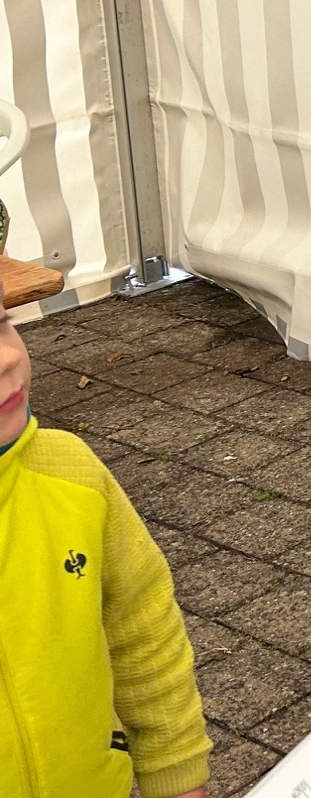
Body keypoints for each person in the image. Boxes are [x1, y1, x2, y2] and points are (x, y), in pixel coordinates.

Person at [0, 306, 210, 798]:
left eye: (1, 321)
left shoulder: (71, 472)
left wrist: (175, 768)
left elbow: (141, 625)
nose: (6, 358)